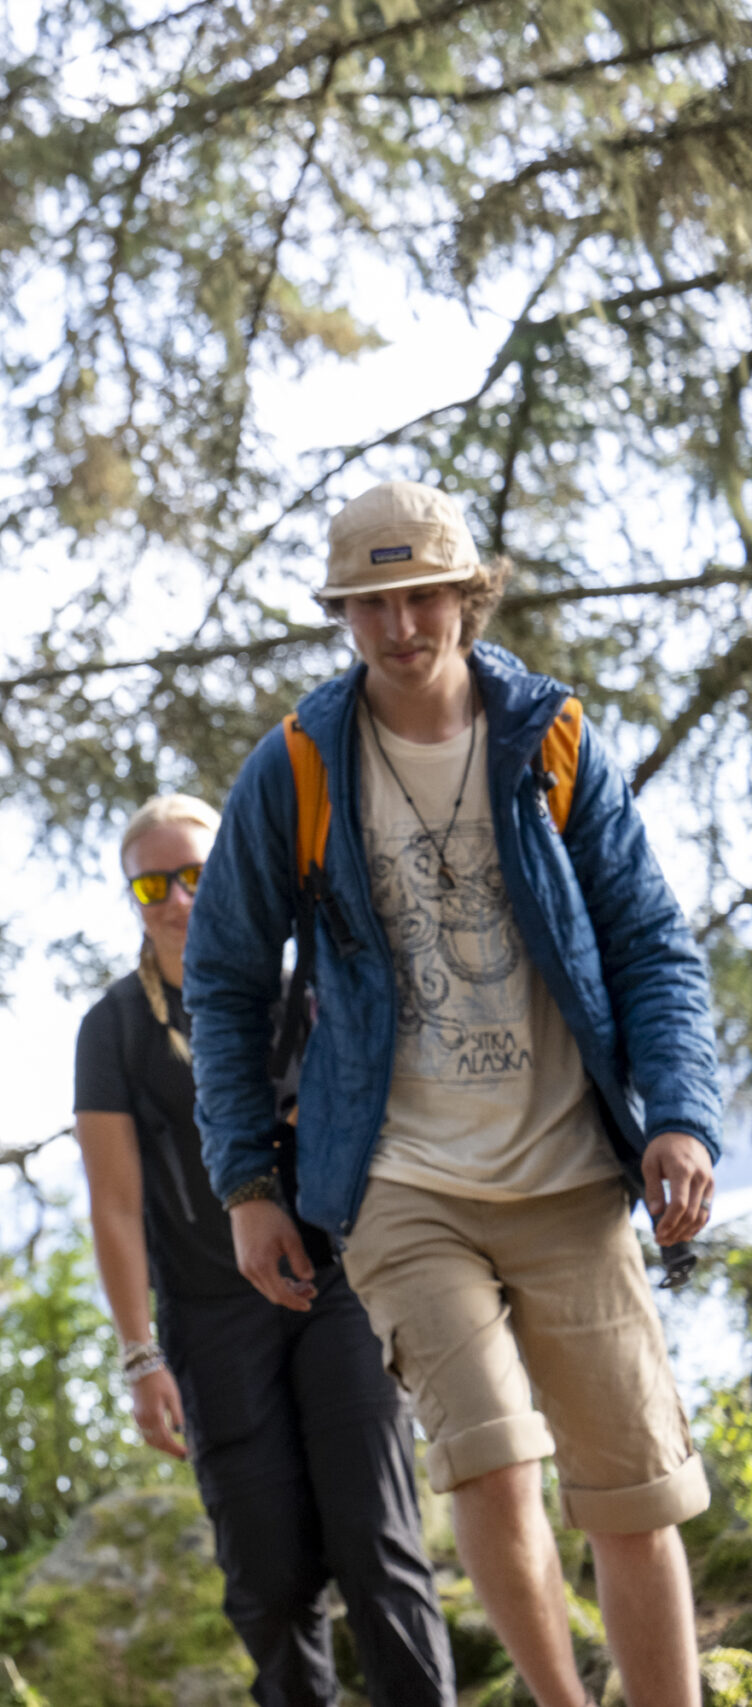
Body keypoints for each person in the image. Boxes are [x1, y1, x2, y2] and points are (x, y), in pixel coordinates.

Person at [186, 479, 726, 1707]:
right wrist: (246, 1183)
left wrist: (679, 1116)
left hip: (568, 1173)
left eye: (424, 596)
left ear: (467, 597)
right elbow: (223, 978)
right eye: (371, 604)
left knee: (634, 1491)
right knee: (487, 1458)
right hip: (399, 1180)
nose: (400, 626)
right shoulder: (298, 767)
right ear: (341, 614)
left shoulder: (549, 738)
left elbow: (648, 943)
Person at [75, 794, 450, 1707]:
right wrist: (140, 1356)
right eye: (152, 884)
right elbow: (115, 1206)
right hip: (212, 1323)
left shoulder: (302, 993)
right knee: (269, 1577)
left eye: (195, 875)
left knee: (377, 1543)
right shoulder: (113, 1027)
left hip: (339, 1293)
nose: (177, 898)